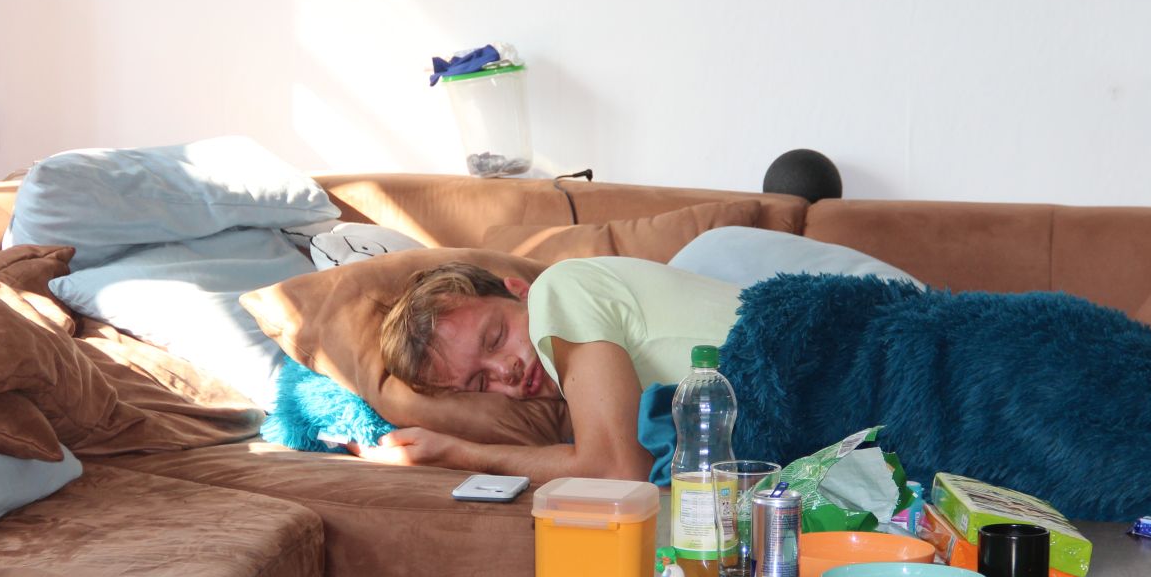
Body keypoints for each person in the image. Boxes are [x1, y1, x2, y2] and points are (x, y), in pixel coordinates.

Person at [361, 228, 922, 481]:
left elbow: (615, 469)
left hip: (875, 368)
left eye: (494, 338)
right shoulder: (590, 384)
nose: (505, 372)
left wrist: (461, 453)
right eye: (481, 384)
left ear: (518, 290)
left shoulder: (561, 288)